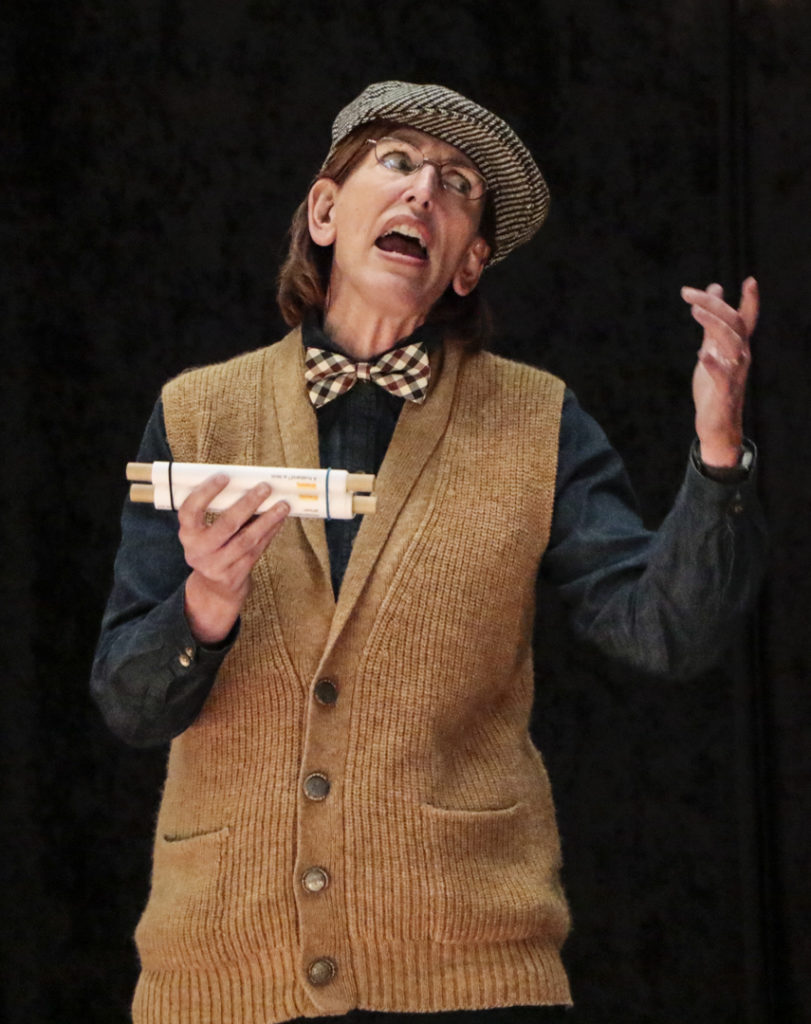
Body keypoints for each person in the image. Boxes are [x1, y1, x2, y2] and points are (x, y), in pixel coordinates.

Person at [91, 81, 767, 1024]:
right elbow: (128, 703)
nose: (423, 191)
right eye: (397, 162)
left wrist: (718, 448)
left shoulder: (537, 420)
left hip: (467, 971)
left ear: (468, 263)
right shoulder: (197, 412)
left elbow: (665, 632)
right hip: (224, 972)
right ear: (325, 212)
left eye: (457, 186)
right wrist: (205, 602)